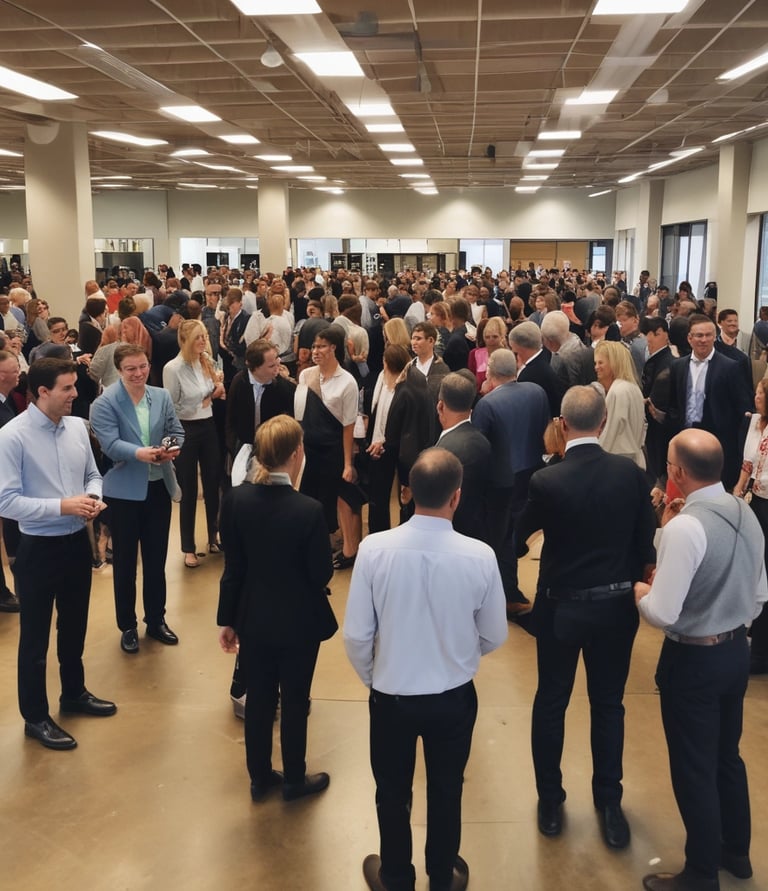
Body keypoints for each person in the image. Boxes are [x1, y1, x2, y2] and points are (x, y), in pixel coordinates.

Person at [344, 448, 508, 891]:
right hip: (453, 698)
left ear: (407, 492)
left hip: (392, 696)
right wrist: (457, 653)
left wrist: (375, 678)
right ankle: (441, 875)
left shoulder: (374, 549)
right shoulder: (480, 556)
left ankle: (396, 876)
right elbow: (495, 634)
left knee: (392, 793)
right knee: (447, 789)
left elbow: (357, 635)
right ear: (457, 497)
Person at [516, 386, 656, 848]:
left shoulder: (546, 480)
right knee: (609, 704)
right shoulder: (631, 475)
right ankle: (609, 803)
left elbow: (517, 537)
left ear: (561, 425)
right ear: (602, 423)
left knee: (551, 702)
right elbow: (644, 544)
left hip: (560, 609)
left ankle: (550, 801)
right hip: (616, 608)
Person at [635, 429, 767, 891]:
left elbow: (663, 612)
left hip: (693, 661)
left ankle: (700, 872)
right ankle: (737, 853)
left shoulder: (686, 528)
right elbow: (758, 595)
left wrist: (641, 594)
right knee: (727, 757)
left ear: (677, 473)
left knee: (693, 766)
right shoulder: (744, 511)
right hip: (734, 652)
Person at [0, 358, 117, 750]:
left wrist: (94, 498)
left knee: (74, 625)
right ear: (42, 392)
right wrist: (63, 506)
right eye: (67, 388)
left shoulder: (77, 429)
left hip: (74, 544)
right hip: (38, 549)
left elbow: (93, 475)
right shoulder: (12, 436)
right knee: (34, 638)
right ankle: (34, 716)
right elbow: (7, 502)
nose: (75, 394)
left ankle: (74, 693)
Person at [217, 415, 336, 802]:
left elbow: (233, 568)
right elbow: (320, 573)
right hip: (299, 622)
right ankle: (294, 779)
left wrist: (227, 620)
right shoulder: (308, 510)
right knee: (296, 700)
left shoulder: (235, 501)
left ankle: (259, 776)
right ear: (297, 453)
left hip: (252, 618)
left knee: (259, 699)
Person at [90, 344, 185, 654]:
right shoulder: (104, 404)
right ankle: (127, 626)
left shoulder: (161, 396)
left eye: (143, 366)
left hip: (158, 488)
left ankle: (156, 620)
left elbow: (176, 430)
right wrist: (142, 453)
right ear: (119, 370)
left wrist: (171, 448)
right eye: (131, 368)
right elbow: (110, 444)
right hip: (124, 494)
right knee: (127, 564)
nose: (138, 373)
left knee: (157, 561)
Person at [471, 349, 550, 618]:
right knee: (515, 531)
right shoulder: (536, 392)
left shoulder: (487, 404)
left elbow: (478, 446)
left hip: (499, 481)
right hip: (532, 471)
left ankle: (504, 593)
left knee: (500, 537)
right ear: (516, 367)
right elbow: (544, 428)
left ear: (491, 371)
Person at [163, 319, 226, 567]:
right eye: (197, 338)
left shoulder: (206, 361)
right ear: (184, 340)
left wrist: (212, 393)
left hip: (208, 426)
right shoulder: (173, 368)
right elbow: (172, 405)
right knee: (188, 489)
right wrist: (207, 397)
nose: (202, 341)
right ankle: (188, 547)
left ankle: (213, 535)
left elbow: (218, 386)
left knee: (213, 483)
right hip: (185, 428)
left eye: (204, 337)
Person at [666, 314, 753, 490]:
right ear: (689, 338)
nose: (704, 340)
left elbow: (743, 409)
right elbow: (674, 403)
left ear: (715, 336)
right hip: (686, 437)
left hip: (718, 443)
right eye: (699, 335)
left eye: (708, 335)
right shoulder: (678, 366)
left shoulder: (731, 367)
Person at [733, 378, 768, 674]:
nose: (755, 396)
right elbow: (749, 461)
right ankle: (755, 638)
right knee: (755, 567)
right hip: (757, 500)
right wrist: (739, 488)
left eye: (760, 392)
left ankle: (761, 653)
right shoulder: (757, 422)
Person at [435, 372, 492, 541]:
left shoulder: (440, 454)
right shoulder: (483, 442)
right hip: (478, 535)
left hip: (448, 539)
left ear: (440, 406)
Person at [593, 340, 646, 468]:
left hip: (618, 461)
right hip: (632, 459)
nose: (596, 367)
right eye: (595, 363)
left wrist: (595, 457)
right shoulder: (633, 388)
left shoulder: (617, 391)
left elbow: (611, 430)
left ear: (614, 363)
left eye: (600, 362)